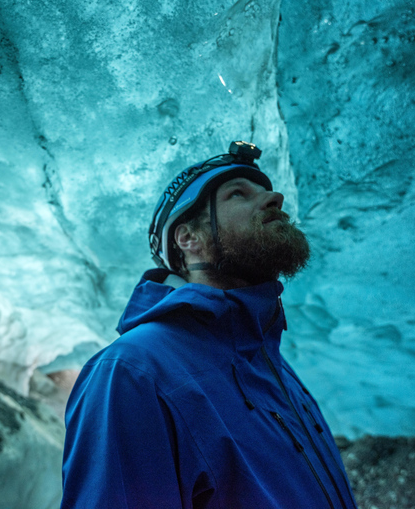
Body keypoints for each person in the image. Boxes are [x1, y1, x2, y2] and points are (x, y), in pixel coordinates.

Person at [61, 141, 357, 508]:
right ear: (188, 239)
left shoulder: (270, 362)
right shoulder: (132, 372)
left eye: (266, 191)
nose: (274, 198)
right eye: (238, 194)